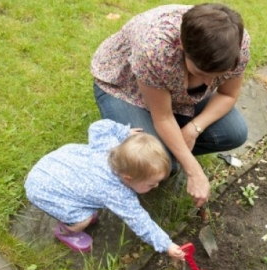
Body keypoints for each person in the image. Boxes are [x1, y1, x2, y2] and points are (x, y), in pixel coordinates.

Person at [91, 3, 250, 209]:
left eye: (218, 76)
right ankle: (154, 155)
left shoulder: (236, 44)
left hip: (177, 96)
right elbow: (163, 117)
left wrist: (194, 129)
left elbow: (228, 94)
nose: (210, 84)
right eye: (201, 73)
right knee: (156, 163)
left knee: (234, 132)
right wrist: (193, 170)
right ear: (182, 46)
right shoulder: (154, 48)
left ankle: (169, 152)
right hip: (126, 89)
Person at [24, 119, 185, 260]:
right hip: (43, 190)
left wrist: (124, 132)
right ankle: (67, 231)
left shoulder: (111, 147)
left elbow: (98, 127)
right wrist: (167, 245)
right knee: (82, 220)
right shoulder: (116, 193)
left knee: (84, 202)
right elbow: (140, 222)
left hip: (53, 165)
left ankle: (77, 208)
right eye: (151, 184)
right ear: (128, 178)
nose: (156, 186)